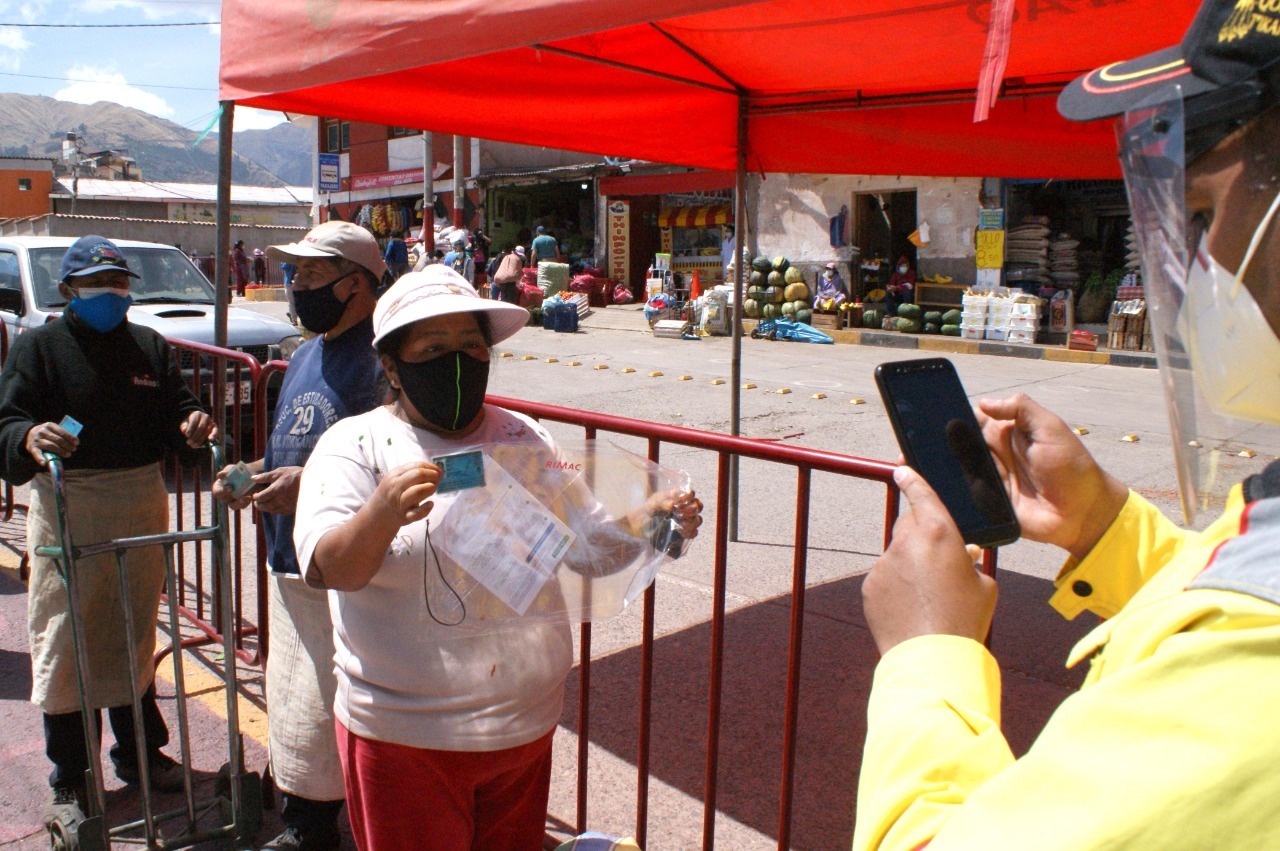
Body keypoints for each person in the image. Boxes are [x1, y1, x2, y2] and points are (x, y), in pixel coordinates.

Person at [853, 4, 1280, 848]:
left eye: (1202, 212)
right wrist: (1107, 527)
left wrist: (926, 653)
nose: (1199, 263)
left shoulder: (1253, 673)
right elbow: (1234, 578)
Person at [291, 267, 704, 850]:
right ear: (392, 365)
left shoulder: (524, 440)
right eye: (434, 349)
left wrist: (647, 523)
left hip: (524, 729)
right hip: (407, 739)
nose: (457, 362)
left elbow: (585, 551)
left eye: (471, 346)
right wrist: (382, 512)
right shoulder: (355, 447)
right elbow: (333, 568)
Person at [0, 235, 216, 825]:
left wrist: (194, 424)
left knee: (132, 633)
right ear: (69, 290)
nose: (110, 295)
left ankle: (142, 756)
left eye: (119, 285)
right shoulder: (38, 349)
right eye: (97, 285)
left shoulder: (148, 346)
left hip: (139, 503)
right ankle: (71, 779)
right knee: (67, 643)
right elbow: (7, 423)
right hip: (70, 508)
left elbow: (179, 412)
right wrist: (26, 437)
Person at [213, 221, 387, 851]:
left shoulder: (384, 359)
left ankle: (316, 832)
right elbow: (293, 444)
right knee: (295, 704)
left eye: (312, 274)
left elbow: (402, 463)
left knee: (335, 711)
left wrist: (307, 485)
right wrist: (252, 473)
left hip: (350, 567)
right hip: (289, 562)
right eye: (296, 272)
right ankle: (305, 821)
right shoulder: (306, 353)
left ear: (357, 284)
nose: (296, 284)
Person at [281, 260, 298, 325]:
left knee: (296, 302)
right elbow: (284, 266)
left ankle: (294, 316)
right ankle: (294, 319)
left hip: (298, 283)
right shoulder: (286, 260)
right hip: (289, 283)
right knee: (292, 302)